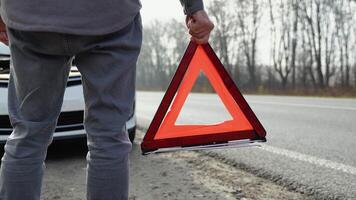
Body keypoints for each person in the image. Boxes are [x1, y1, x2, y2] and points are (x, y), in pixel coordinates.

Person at [0, 0, 214, 200]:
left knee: (28, 135)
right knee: (108, 138)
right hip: (109, 14)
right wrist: (194, 7)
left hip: (31, 14)